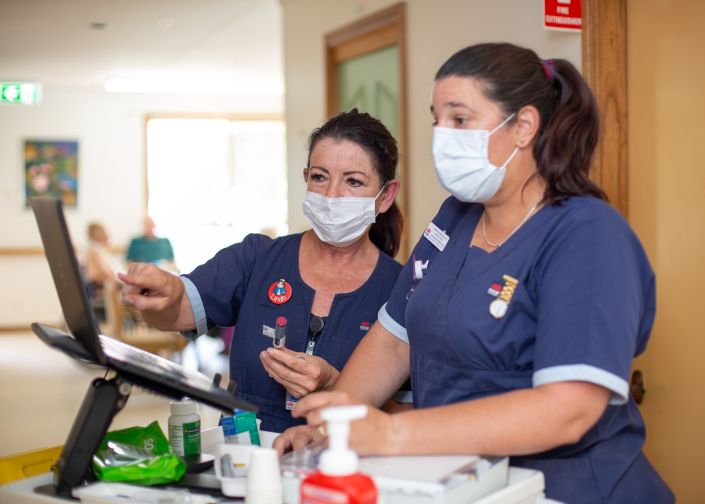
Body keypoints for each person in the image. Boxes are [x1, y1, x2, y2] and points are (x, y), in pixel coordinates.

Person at [274, 43, 675, 503]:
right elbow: (393, 338)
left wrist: (391, 435)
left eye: (460, 120)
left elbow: (569, 410)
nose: (442, 135)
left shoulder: (587, 235)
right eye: (437, 119)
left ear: (523, 126)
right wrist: (334, 426)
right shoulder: (455, 218)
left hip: (568, 488)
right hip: (464, 482)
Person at [119, 110, 405, 433]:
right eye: (320, 177)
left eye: (353, 181)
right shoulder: (258, 258)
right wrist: (166, 296)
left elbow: (406, 417)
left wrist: (335, 386)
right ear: (305, 178)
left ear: (386, 196)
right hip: (247, 458)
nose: (331, 196)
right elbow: (176, 313)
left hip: (345, 465)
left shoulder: (400, 290)